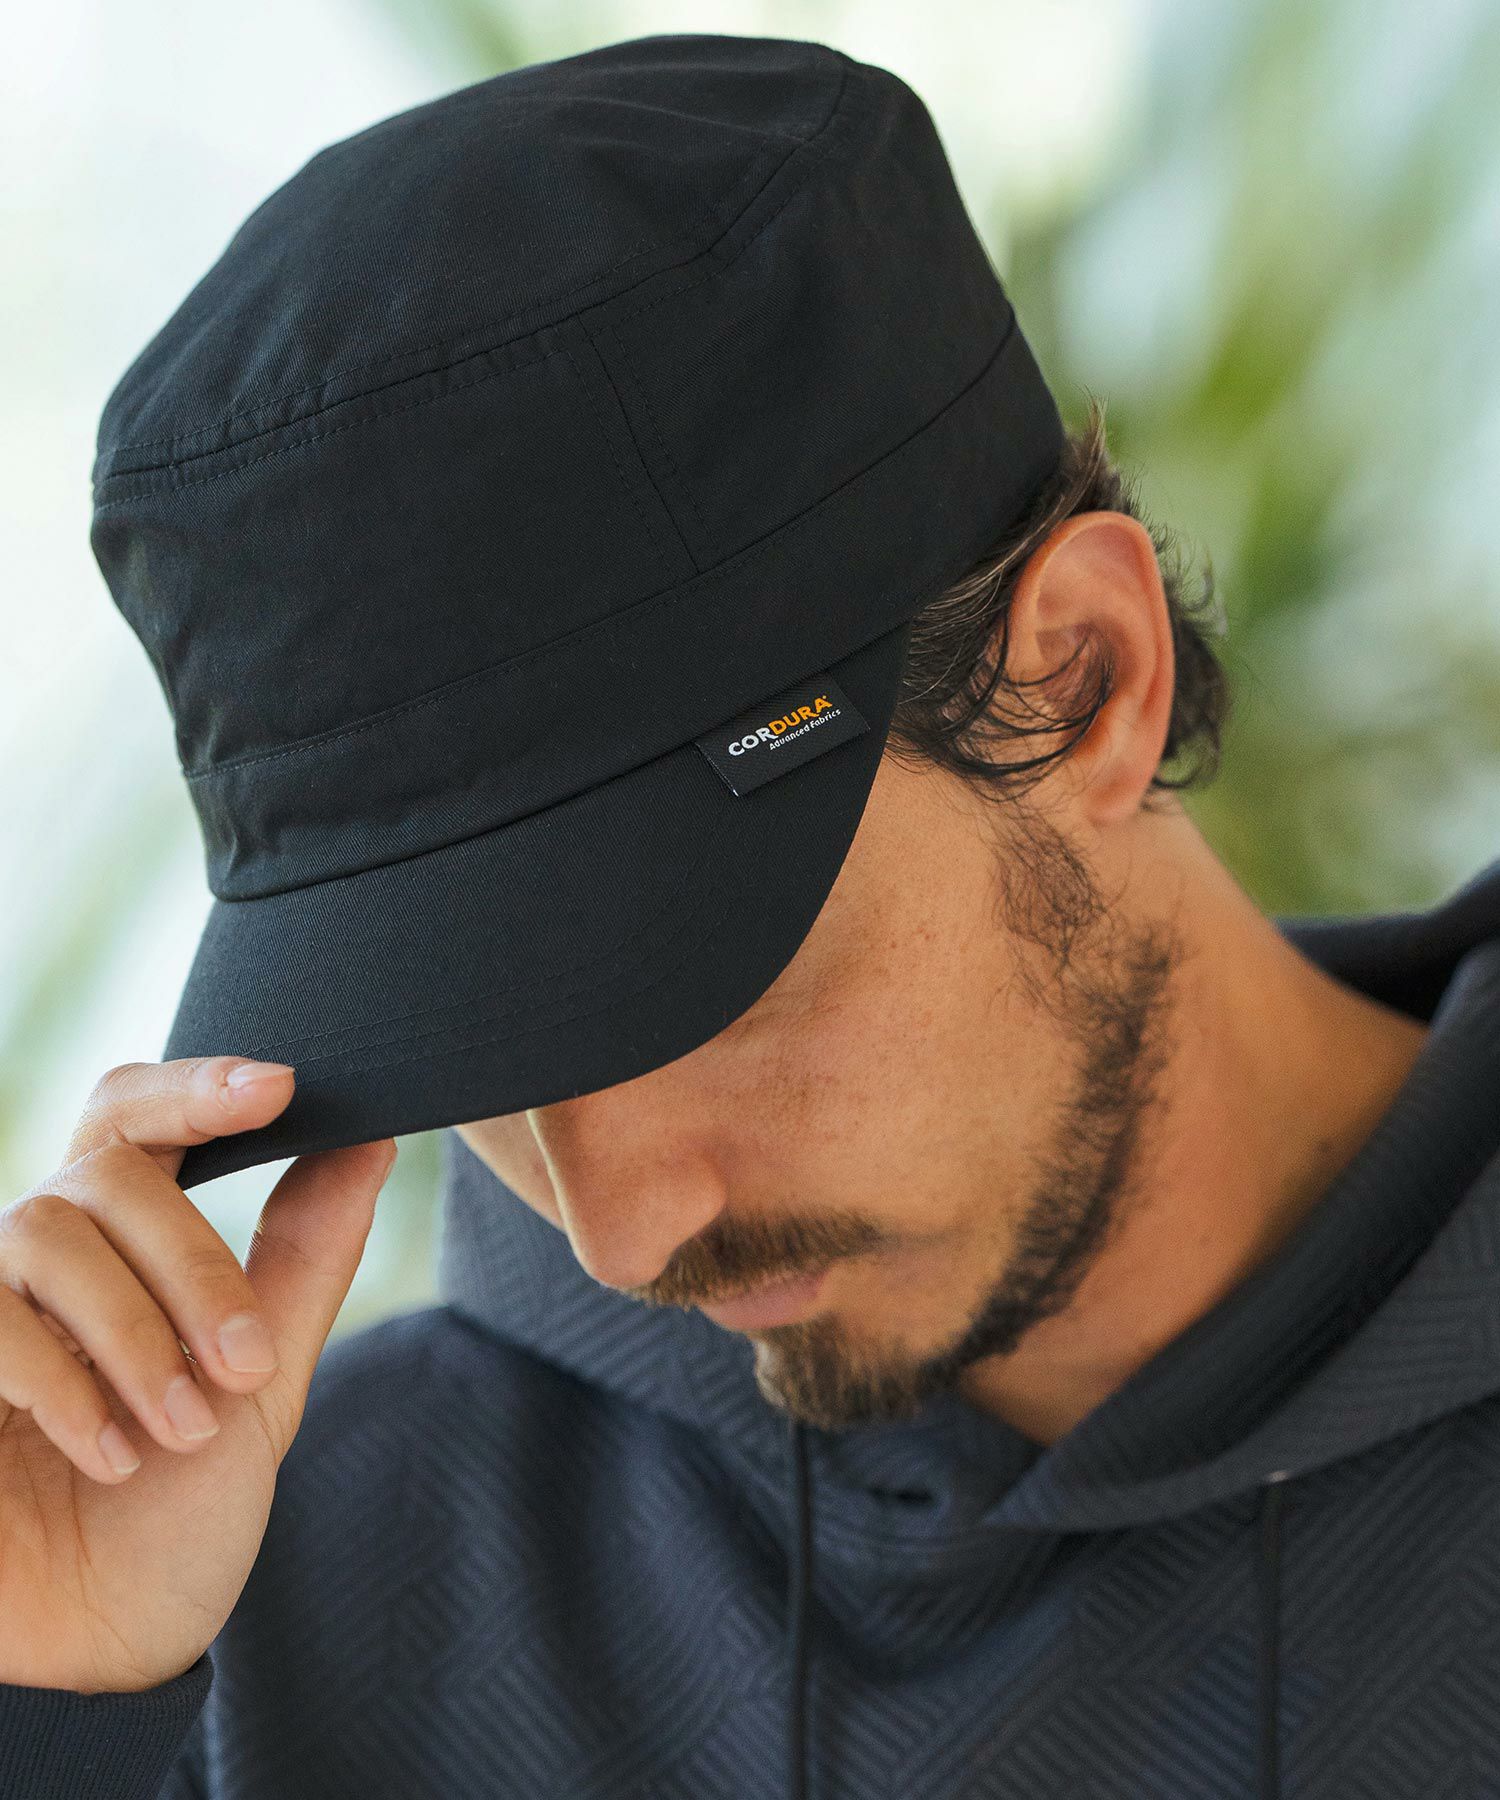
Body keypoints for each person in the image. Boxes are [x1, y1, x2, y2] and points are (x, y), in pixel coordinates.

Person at [4, 30, 1500, 1800]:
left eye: (693, 987)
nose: (623, 1239)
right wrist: (48, 1710)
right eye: (462, 1058)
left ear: (1087, 678)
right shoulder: (238, 1588)